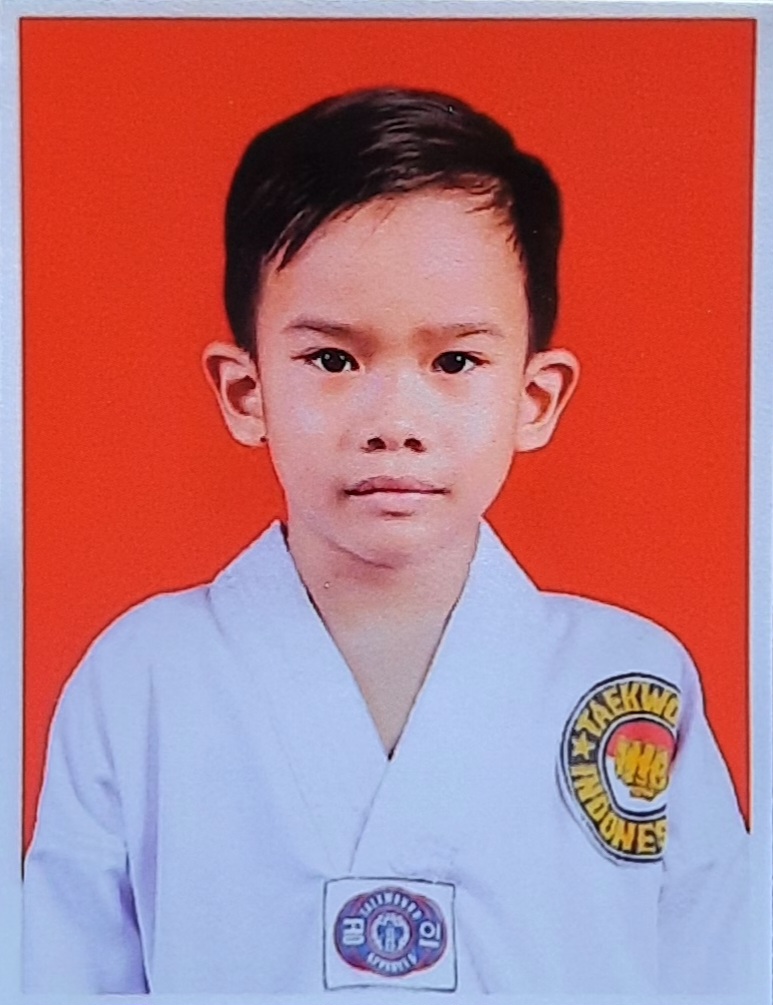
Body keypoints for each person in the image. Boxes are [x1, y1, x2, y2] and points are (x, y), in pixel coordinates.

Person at [22, 87, 748, 995]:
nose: (394, 421)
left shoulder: (630, 678)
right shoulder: (141, 678)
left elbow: (719, 966)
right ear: (246, 392)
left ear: (534, 398)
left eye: (455, 361)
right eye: (333, 359)